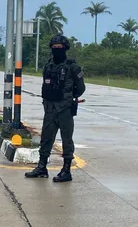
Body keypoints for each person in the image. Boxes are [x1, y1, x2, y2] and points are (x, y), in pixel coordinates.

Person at [25, 33, 86, 182]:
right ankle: (41, 167)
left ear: (65, 48)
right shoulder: (48, 65)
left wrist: (69, 97)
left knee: (67, 140)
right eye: (54, 47)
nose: (57, 49)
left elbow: (81, 88)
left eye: (59, 47)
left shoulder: (73, 67)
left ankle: (66, 170)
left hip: (65, 109)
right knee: (46, 138)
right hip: (50, 109)